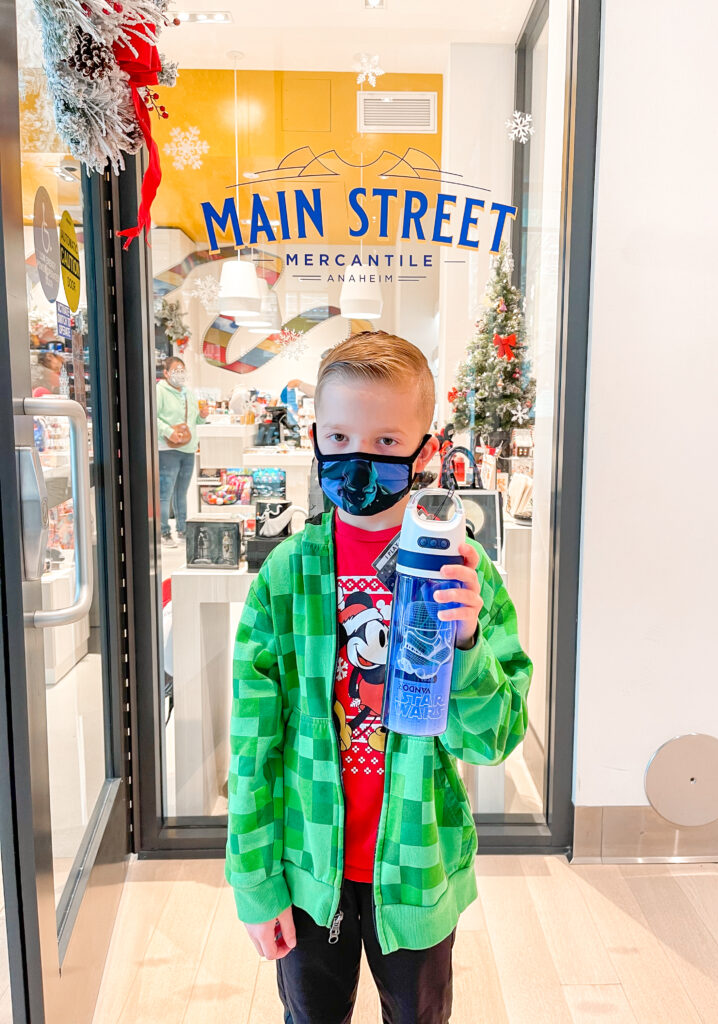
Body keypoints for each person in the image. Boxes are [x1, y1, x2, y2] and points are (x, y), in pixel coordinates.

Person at [226, 331, 532, 1024]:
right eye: (339, 436)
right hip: (308, 867)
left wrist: (468, 642)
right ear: (314, 438)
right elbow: (252, 745)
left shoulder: (465, 573)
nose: (359, 458)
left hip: (417, 865)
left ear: (426, 449)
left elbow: (494, 739)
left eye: (388, 443)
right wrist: (254, 880)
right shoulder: (286, 578)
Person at [156, 356, 209, 547]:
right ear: (166, 373)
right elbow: (152, 417)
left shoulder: (188, 393)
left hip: (188, 448)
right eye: (176, 370)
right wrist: (169, 432)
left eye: (182, 370)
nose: (180, 374)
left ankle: (183, 530)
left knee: (181, 492)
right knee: (165, 493)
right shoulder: (159, 390)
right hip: (167, 448)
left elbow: (195, 420)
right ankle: (163, 532)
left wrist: (203, 416)